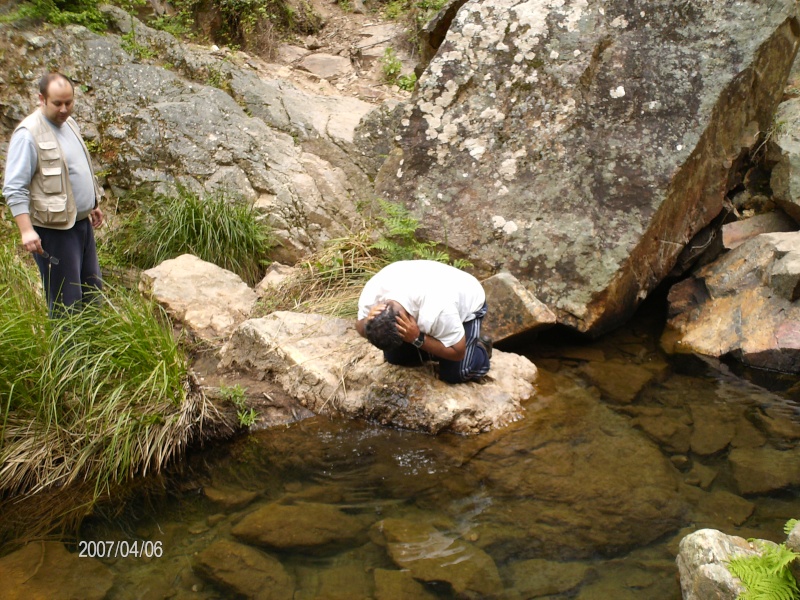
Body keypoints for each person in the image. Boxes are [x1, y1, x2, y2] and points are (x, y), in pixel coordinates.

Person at [3, 72, 105, 316]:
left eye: (68, 102)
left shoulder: (70, 124)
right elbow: (14, 188)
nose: (64, 109)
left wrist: (92, 203)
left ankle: (93, 349)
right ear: (41, 99)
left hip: (81, 225)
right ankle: (67, 355)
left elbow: (76, 168)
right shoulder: (28, 134)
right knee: (65, 302)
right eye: (57, 103)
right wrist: (27, 230)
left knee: (92, 292)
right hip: (54, 232)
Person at [356, 260, 492, 383]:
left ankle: (480, 349)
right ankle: (440, 345)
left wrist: (417, 338)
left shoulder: (437, 310)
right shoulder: (373, 294)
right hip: (427, 293)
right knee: (395, 358)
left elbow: (458, 352)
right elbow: (359, 326)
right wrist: (366, 322)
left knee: (455, 374)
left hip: (467, 301)